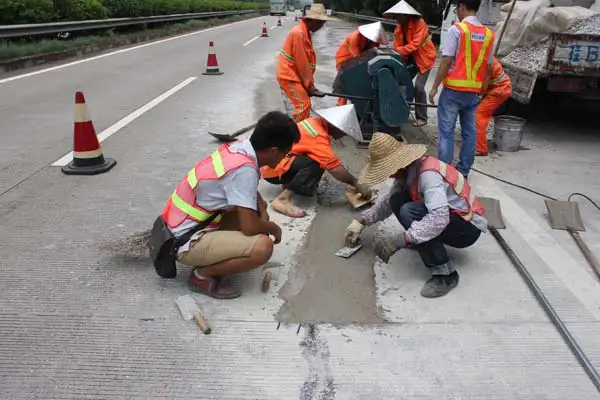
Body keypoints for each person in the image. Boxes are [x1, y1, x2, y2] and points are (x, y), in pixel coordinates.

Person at [155, 111, 300, 300]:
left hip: (178, 228)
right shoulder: (244, 170)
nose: (285, 158)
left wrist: (261, 212)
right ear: (273, 150)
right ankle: (202, 276)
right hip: (184, 241)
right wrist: (273, 228)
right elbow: (250, 227)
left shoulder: (238, 148)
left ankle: (216, 254)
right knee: (263, 246)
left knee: (257, 213)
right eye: (285, 153)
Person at [344, 133, 487, 298]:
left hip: (467, 228)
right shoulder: (408, 171)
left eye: (389, 171)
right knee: (397, 200)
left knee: (409, 210)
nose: (389, 175)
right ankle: (423, 241)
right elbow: (388, 201)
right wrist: (362, 221)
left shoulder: (429, 175)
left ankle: (445, 274)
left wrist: (404, 239)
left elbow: (439, 218)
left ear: (399, 165)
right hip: (451, 219)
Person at [261, 104, 372, 218]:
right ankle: (283, 199)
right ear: (335, 126)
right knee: (317, 163)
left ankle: (288, 183)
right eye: (344, 132)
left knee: (313, 157)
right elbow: (334, 168)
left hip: (274, 162)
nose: (343, 135)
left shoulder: (314, 123)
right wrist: (356, 183)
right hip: (273, 169)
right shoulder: (317, 135)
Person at [428, 0, 495, 178]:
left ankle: (445, 173)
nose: (457, 11)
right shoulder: (489, 34)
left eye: (457, 7)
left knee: (446, 133)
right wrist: (483, 88)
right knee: (469, 133)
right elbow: (489, 67)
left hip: (453, 91)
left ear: (462, 6)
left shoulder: (456, 30)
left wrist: (434, 87)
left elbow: (446, 60)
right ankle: (463, 172)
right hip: (473, 92)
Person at [383, 0, 436, 128]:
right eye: (395, 16)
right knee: (401, 81)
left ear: (406, 15)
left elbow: (415, 44)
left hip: (425, 58)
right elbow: (397, 45)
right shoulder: (398, 30)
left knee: (419, 87)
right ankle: (403, 107)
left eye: (398, 15)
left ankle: (422, 117)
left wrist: (398, 50)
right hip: (410, 58)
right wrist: (396, 52)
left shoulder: (420, 24)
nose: (396, 18)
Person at [276, 3, 332, 122]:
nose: (321, 27)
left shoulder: (305, 32)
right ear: (313, 21)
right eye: (321, 24)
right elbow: (303, 64)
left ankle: (300, 133)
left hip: (294, 75)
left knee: (304, 104)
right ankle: (294, 136)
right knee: (303, 105)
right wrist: (310, 87)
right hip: (288, 75)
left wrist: (309, 87)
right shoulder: (299, 34)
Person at [335, 21, 388, 106]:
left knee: (360, 82)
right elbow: (357, 58)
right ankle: (340, 105)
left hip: (360, 59)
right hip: (345, 59)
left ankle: (358, 103)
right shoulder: (355, 37)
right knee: (346, 81)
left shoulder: (375, 41)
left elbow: (373, 55)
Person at [476, 57, 512, 156]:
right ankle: (476, 142)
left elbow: (483, 87)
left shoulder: (485, 61)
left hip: (499, 90)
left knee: (479, 115)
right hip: (497, 88)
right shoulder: (483, 55)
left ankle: (480, 149)